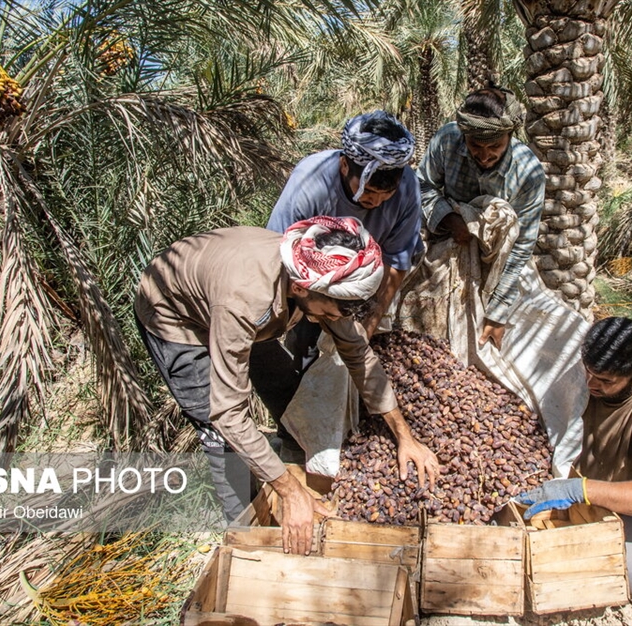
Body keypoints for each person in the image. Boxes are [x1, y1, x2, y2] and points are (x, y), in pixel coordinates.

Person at [135, 216, 439, 556]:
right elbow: (227, 414)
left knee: (286, 394)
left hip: (236, 299)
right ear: (299, 289)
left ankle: (293, 478)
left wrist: (404, 436)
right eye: (338, 309)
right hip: (176, 316)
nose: (342, 317)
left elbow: (359, 355)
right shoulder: (246, 301)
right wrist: (289, 491)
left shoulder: (320, 280)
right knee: (216, 428)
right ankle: (245, 535)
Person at [517, 317, 632, 609]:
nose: (591, 385)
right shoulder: (589, 375)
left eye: (605, 381)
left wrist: (580, 490)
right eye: (588, 373)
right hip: (587, 482)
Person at [267, 110, 422, 341]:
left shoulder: (408, 187)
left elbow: (396, 262)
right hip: (310, 283)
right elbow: (277, 256)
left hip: (365, 281)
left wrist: (366, 329)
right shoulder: (310, 185)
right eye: (368, 191)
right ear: (344, 166)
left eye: (386, 193)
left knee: (352, 342)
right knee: (305, 341)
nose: (376, 202)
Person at [416, 86, 546, 349]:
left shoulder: (528, 173)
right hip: (449, 239)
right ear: (464, 136)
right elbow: (420, 185)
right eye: (476, 145)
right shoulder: (447, 141)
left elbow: (521, 246)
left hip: (498, 257)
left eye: (495, 146)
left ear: (510, 136)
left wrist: (498, 313)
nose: (485, 155)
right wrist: (449, 220)